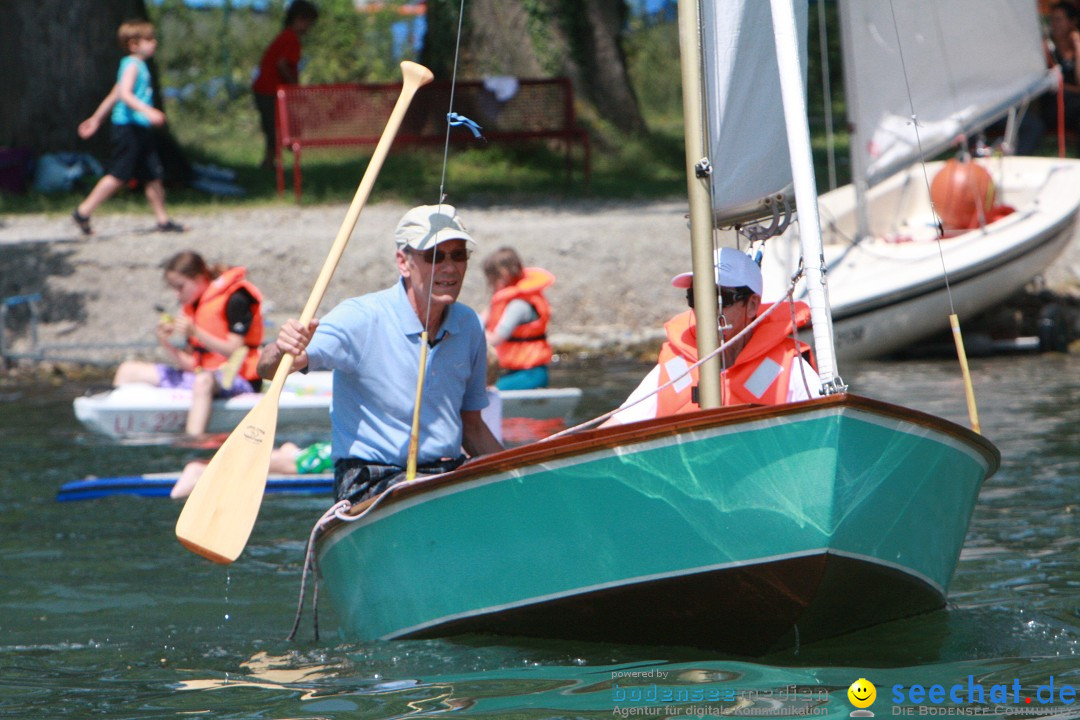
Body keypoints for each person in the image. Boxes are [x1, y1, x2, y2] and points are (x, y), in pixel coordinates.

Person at [257, 204, 504, 503]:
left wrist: (519, 478)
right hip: (369, 479)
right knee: (440, 497)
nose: (450, 267)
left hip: (444, 475)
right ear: (404, 262)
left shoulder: (469, 325)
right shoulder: (360, 318)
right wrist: (281, 348)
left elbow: (472, 426)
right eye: (435, 256)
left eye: (458, 255)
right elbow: (270, 369)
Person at [606, 247, 821, 425]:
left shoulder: (790, 369)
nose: (706, 309)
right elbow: (615, 428)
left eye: (721, 299)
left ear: (752, 305)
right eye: (696, 297)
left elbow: (823, 431)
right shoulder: (675, 367)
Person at [113, 250, 264, 436]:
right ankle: (121, 427)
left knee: (202, 382)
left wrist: (196, 332)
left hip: (236, 379)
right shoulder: (192, 307)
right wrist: (165, 342)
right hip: (202, 375)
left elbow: (234, 350)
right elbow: (191, 364)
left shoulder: (236, 298)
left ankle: (194, 439)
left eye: (180, 287)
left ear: (199, 278)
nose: (177, 295)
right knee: (127, 370)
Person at [73, 19, 184, 236]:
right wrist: (148, 111)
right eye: (149, 40)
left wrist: (96, 118)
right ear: (134, 44)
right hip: (129, 129)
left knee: (153, 173)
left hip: (139, 129)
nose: (154, 43)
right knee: (119, 174)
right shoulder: (132, 65)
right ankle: (83, 211)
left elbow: (115, 94)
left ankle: (163, 220)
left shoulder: (136, 66)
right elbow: (124, 95)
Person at [252, 0, 319, 170]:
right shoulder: (291, 39)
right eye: (308, 23)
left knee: (272, 127)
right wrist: (293, 85)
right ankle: (269, 161)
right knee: (273, 127)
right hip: (269, 89)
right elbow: (282, 64)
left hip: (264, 88)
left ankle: (270, 161)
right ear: (299, 19)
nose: (308, 28)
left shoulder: (285, 36)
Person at [481, 247, 555, 390]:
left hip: (531, 374)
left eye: (491, 280)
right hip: (514, 372)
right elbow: (479, 321)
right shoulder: (501, 300)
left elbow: (495, 339)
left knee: (485, 394)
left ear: (503, 276)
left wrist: (469, 337)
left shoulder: (518, 305)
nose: (490, 285)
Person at [172, 440, 329, 499]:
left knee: (291, 453)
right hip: (330, 455)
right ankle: (202, 470)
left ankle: (288, 451)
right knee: (295, 463)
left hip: (329, 450)